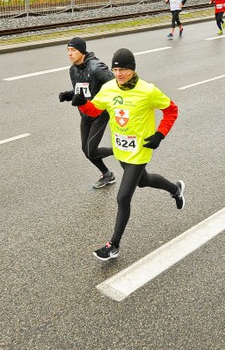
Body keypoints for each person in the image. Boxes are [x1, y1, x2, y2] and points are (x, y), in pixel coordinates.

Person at [73, 49, 184, 261]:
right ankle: (175, 189)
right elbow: (95, 110)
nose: (119, 74)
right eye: (115, 69)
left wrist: (160, 134)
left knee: (123, 197)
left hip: (140, 150)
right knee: (144, 181)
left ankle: (113, 244)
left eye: (123, 69)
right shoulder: (108, 88)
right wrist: (82, 103)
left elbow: (171, 110)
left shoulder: (148, 91)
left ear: (132, 69)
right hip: (121, 149)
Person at [58, 37, 116, 189]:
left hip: (99, 113)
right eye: (68, 50)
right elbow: (82, 90)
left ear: (82, 51)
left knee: (91, 150)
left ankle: (120, 151)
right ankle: (107, 174)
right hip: (85, 113)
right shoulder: (73, 70)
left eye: (73, 50)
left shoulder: (96, 68)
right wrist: (68, 95)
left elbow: (115, 85)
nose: (70, 54)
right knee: (86, 150)